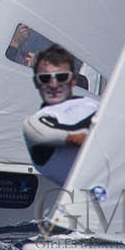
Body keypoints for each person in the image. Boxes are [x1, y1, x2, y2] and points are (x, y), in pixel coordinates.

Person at [22, 43, 98, 186]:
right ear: (37, 83)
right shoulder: (34, 123)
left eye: (62, 77)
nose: (54, 85)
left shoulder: (92, 104)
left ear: (74, 80)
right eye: (45, 79)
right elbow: (76, 137)